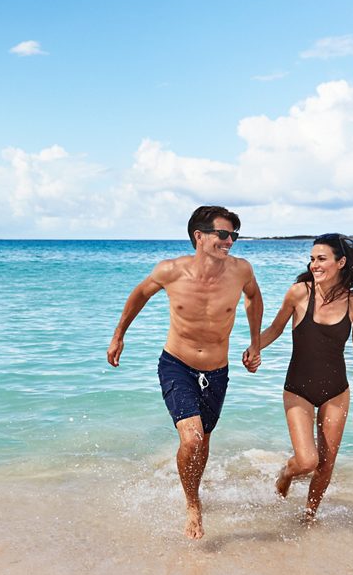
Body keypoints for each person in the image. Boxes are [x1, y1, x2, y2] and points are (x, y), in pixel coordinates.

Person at [107, 206, 263, 539]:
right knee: (191, 439)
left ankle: (194, 488)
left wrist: (255, 343)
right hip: (177, 364)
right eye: (223, 234)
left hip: (218, 371)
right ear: (199, 236)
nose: (230, 241)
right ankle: (193, 504)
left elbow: (253, 297)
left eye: (234, 235)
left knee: (202, 442)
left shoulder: (241, 271)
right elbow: (139, 295)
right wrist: (119, 334)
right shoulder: (170, 271)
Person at [257, 234, 353, 522]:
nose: (314, 264)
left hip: (336, 391)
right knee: (307, 460)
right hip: (298, 389)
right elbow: (276, 328)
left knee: (326, 464)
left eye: (322, 259)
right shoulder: (298, 293)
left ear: (340, 262)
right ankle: (285, 472)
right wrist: (254, 348)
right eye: (312, 258)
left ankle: (308, 518)